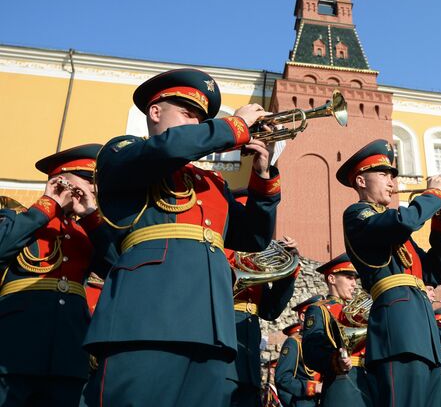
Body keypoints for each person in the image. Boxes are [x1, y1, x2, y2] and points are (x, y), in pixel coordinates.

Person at [80, 68, 281, 406]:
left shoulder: (212, 182)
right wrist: (233, 127)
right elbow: (167, 150)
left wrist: (263, 177)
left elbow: (255, 237)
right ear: (155, 112)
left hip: (211, 326)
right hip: (147, 319)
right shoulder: (124, 152)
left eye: (202, 120)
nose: (197, 125)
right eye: (188, 114)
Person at [338, 139, 441, 407]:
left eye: (393, 176)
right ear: (360, 181)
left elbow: (436, 272)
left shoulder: (394, 229)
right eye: (383, 174)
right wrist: (433, 196)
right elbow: (405, 220)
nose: (392, 182)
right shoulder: (358, 214)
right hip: (398, 331)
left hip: (424, 333)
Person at [0, 144, 114, 406]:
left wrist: (91, 217)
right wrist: (47, 205)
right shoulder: (19, 219)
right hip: (13, 349)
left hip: (68, 355)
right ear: (59, 180)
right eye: (87, 180)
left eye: (96, 182)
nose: (93, 188)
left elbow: (119, 266)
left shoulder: (89, 231)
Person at [225, 231, 301, 406]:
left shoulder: (254, 259)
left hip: (250, 341)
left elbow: (270, 310)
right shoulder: (221, 249)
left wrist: (289, 269)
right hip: (226, 330)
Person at [302, 253, 374, 406]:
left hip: (369, 381)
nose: (354, 284)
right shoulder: (319, 309)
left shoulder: (360, 311)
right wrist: (335, 360)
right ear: (332, 279)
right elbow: (311, 350)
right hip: (342, 382)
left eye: (355, 279)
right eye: (349, 277)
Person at [275, 296, 324, 407]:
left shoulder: (321, 344)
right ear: (303, 316)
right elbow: (282, 378)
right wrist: (313, 387)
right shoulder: (294, 343)